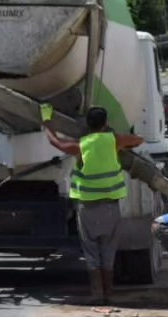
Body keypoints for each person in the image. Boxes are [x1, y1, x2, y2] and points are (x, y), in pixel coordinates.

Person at [41, 104, 143, 304]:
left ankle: (97, 294)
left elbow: (56, 142)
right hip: (111, 206)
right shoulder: (114, 140)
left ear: (87, 124)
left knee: (91, 252)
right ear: (105, 123)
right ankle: (109, 294)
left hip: (87, 208)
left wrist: (47, 120)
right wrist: (118, 139)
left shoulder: (81, 146)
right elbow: (139, 139)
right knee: (108, 251)